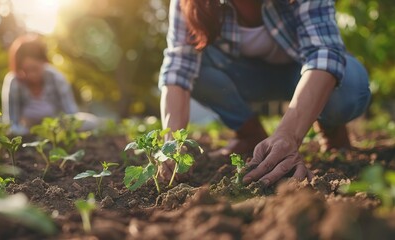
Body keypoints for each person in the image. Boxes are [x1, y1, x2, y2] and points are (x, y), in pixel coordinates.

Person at [158, 0, 371, 186]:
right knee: (195, 67)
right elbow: (178, 69)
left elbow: (324, 52)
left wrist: (288, 134)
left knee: (348, 90)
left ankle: (330, 129)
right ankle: (250, 133)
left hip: (301, 72)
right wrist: (171, 146)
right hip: (247, 78)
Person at [2, 34, 100, 135]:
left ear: (44, 62)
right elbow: (11, 122)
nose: (31, 75)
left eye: (35, 69)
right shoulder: (14, 82)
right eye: (26, 70)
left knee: (91, 122)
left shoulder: (56, 78)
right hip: (27, 129)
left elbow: (71, 113)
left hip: (56, 127)